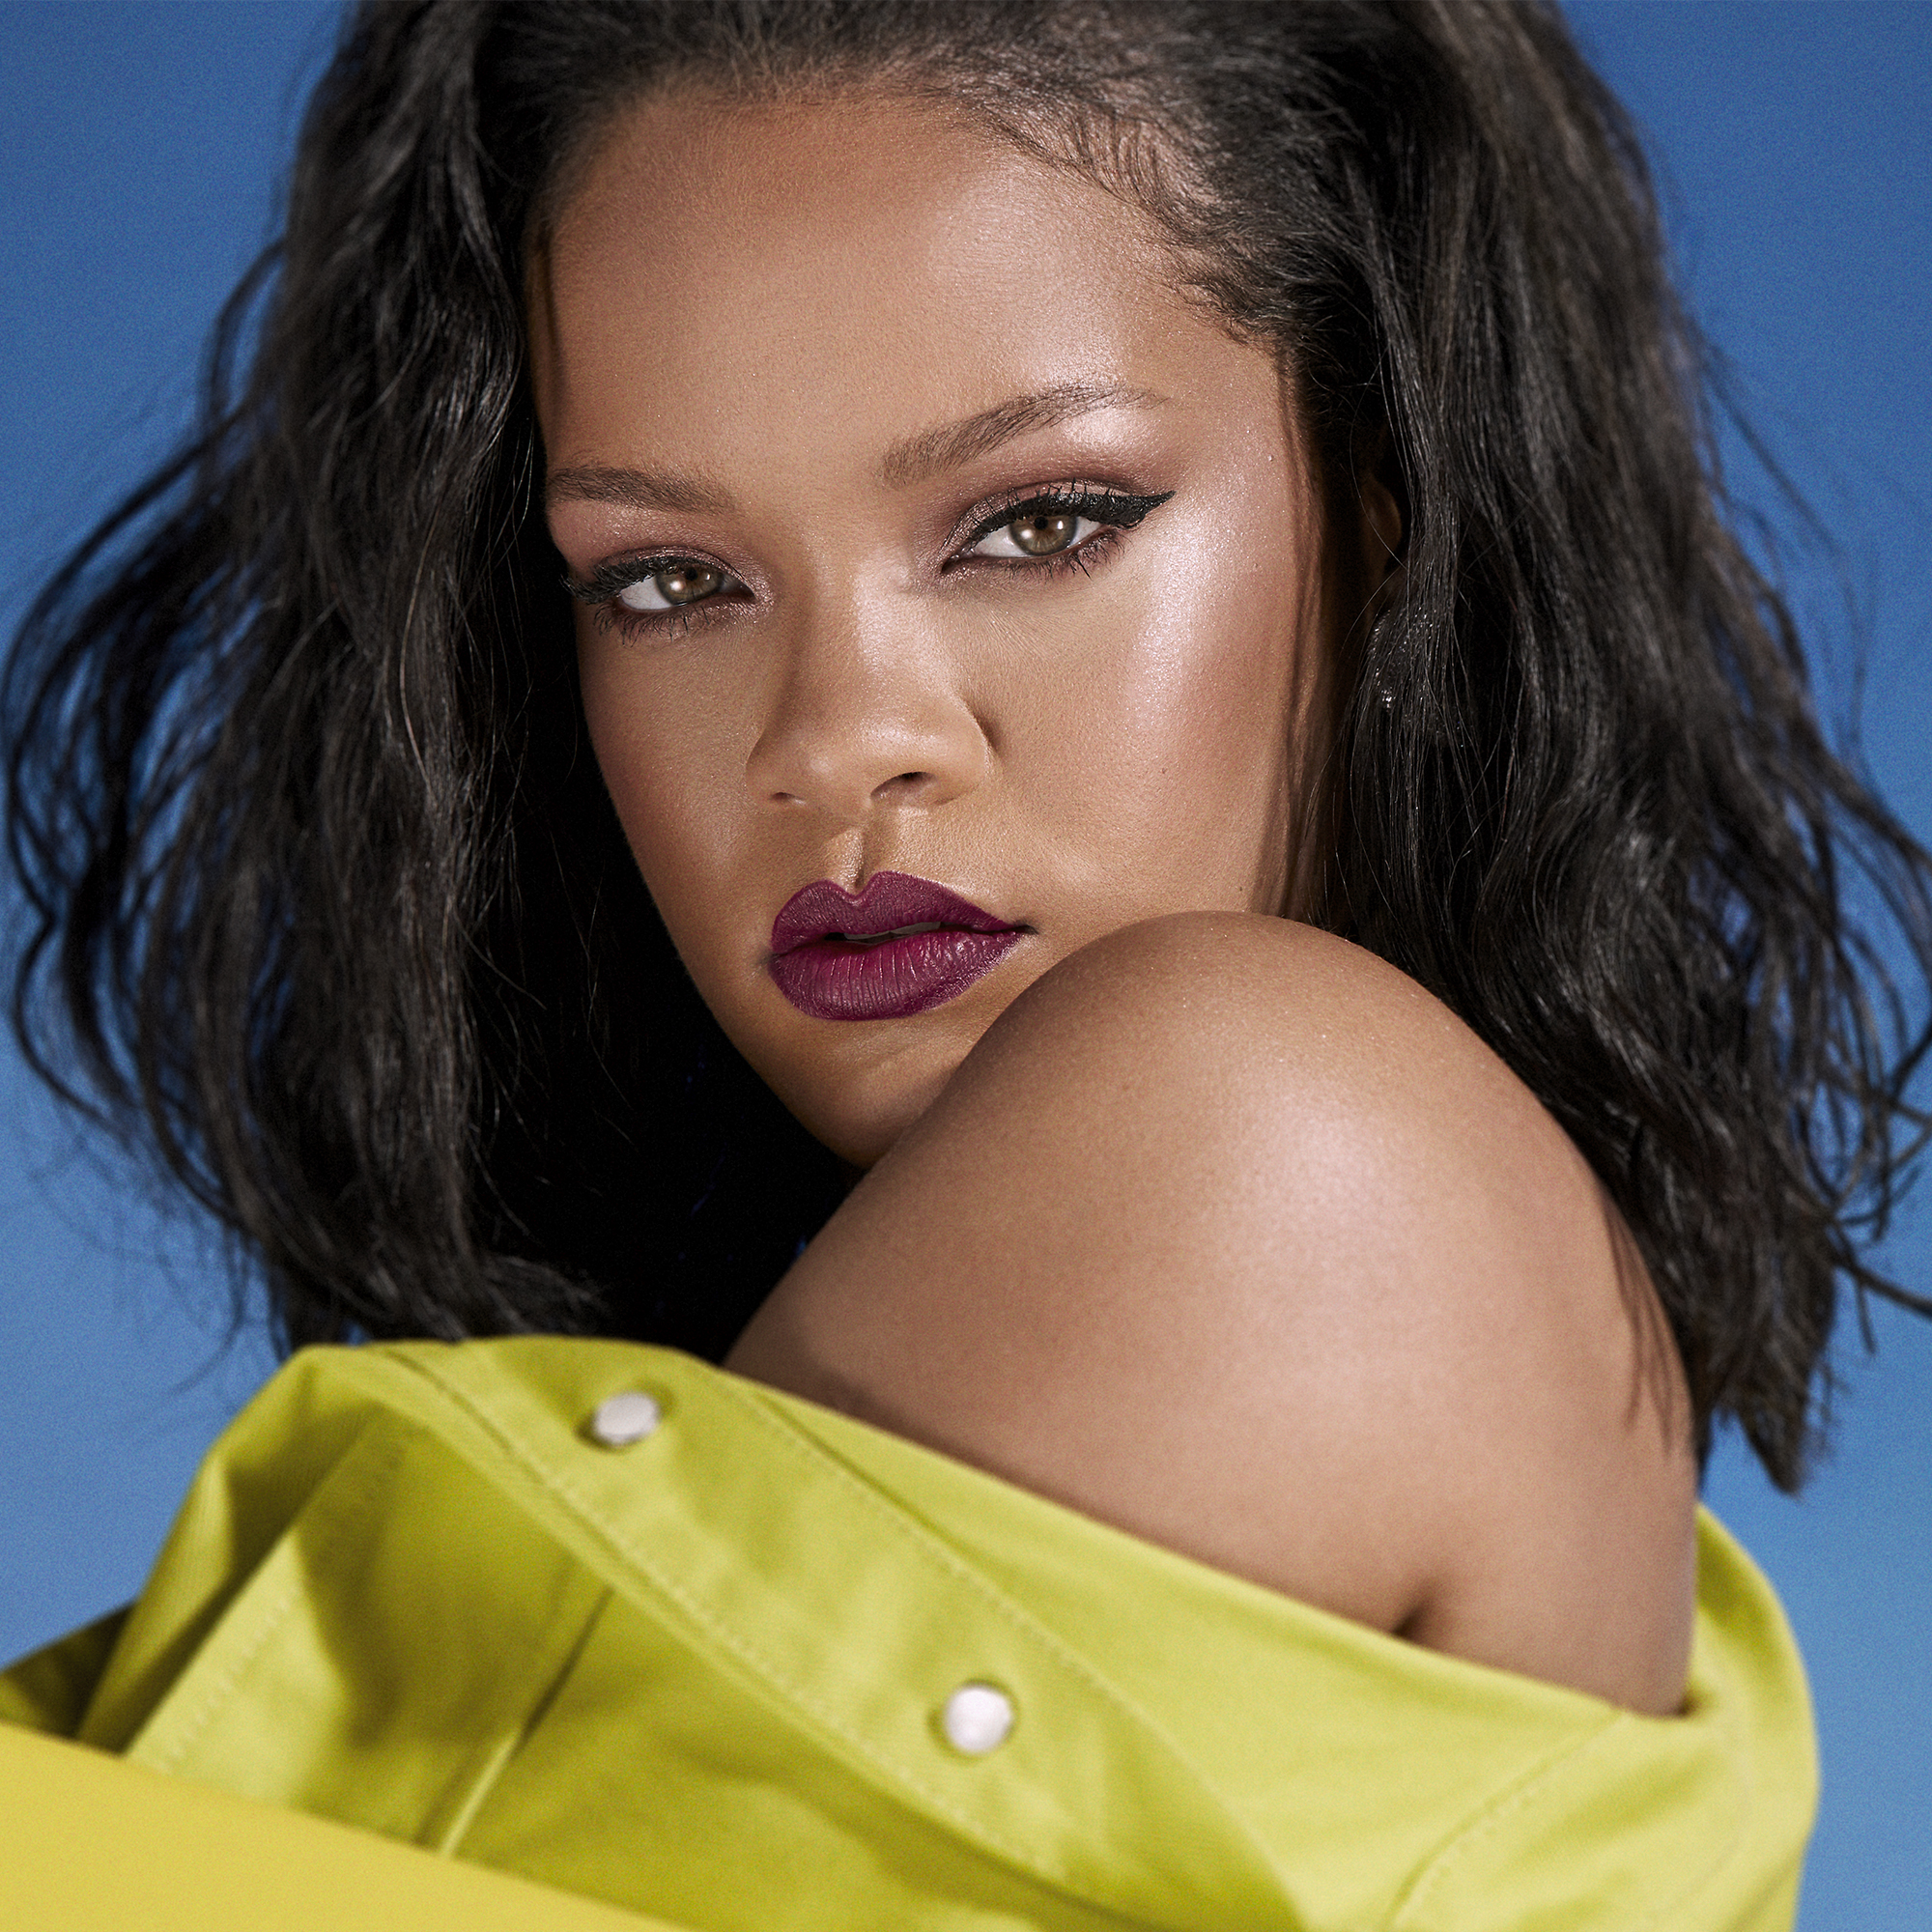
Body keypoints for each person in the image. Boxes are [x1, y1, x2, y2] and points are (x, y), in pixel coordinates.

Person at [2, 1, 1927, 1926]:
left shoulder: (1269, 1133)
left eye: (1038, 524)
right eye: (670, 580)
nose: (834, 741)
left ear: (1379, 525)